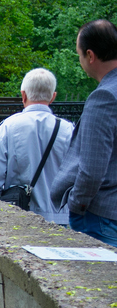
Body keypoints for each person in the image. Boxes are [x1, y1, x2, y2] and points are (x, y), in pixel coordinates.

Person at [50, 19, 117, 246]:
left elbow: (91, 170)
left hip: (102, 218)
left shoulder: (104, 97)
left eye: (78, 54)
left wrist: (77, 205)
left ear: (90, 55)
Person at [0, 68, 74, 225]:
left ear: (23, 95)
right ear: (53, 97)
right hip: (60, 218)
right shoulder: (68, 129)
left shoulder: (8, 126)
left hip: (19, 215)